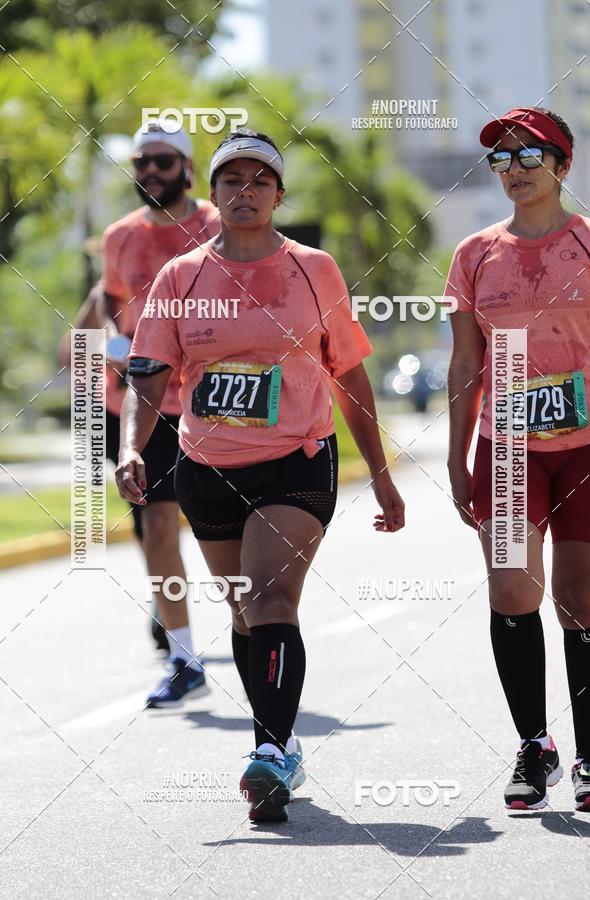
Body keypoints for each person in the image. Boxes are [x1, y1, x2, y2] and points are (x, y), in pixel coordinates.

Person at [115, 128, 405, 822]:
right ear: (211, 195)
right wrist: (132, 447)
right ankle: (277, 744)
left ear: (277, 195)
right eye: (231, 181)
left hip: (297, 460)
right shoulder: (179, 278)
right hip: (208, 466)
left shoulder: (314, 269)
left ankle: (271, 754)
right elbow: (149, 377)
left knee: (272, 601)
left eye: (259, 182)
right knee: (244, 611)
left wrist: (383, 475)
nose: (244, 193)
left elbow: (351, 374)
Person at [446, 106, 590, 812]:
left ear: (562, 165)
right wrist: (455, 456)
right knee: (512, 591)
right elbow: (465, 364)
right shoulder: (476, 254)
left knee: (583, 601)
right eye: (501, 159)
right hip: (506, 447)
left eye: (528, 156)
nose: (514, 170)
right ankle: (534, 745)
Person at [98, 121, 220, 706]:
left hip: (219, 406)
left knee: (234, 533)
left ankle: (261, 635)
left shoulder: (219, 227)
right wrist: (109, 341)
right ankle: (184, 656)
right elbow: (112, 298)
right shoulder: (119, 236)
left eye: (163, 162)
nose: (150, 172)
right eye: (141, 162)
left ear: (188, 168)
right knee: (159, 527)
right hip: (143, 409)